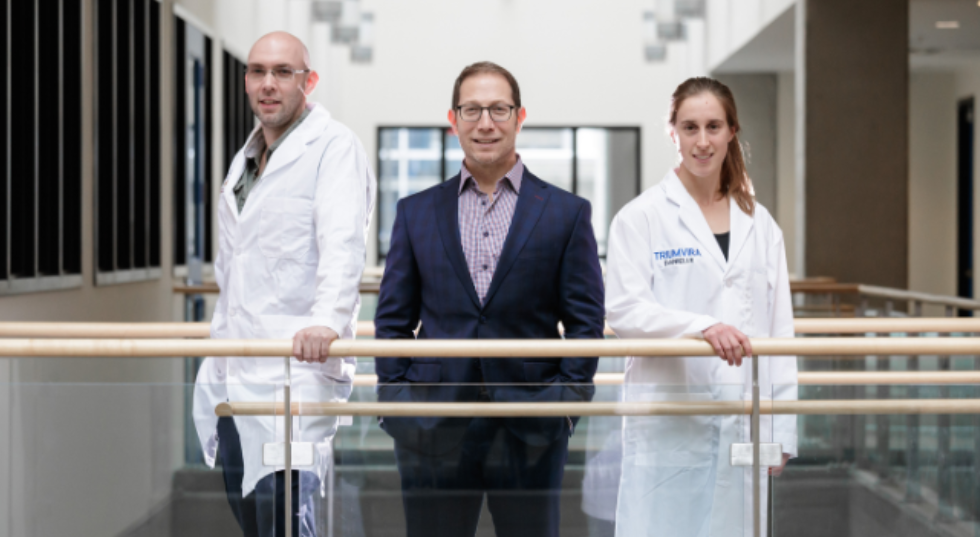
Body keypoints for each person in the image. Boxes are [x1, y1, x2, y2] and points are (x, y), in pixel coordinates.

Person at [374, 61, 605, 537]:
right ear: (453, 118)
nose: (485, 122)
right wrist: (394, 400)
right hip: (430, 422)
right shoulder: (415, 212)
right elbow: (393, 321)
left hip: (533, 424)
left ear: (520, 117)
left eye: (498, 109)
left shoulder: (565, 213)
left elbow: (585, 323)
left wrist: (565, 405)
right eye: (472, 109)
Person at [192, 31, 376, 537]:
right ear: (246, 82)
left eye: (282, 72)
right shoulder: (245, 162)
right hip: (234, 370)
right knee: (253, 518)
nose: (267, 84)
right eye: (257, 72)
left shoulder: (334, 148)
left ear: (308, 81)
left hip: (295, 372)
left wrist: (325, 322)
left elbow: (342, 247)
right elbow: (234, 272)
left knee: (286, 515)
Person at [605, 77, 797, 536]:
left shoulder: (759, 222)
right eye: (690, 127)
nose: (703, 141)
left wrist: (782, 430)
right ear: (672, 132)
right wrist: (703, 326)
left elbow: (779, 329)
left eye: (714, 126)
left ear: (732, 131)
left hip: (743, 424)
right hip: (670, 424)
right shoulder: (641, 217)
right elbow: (625, 311)